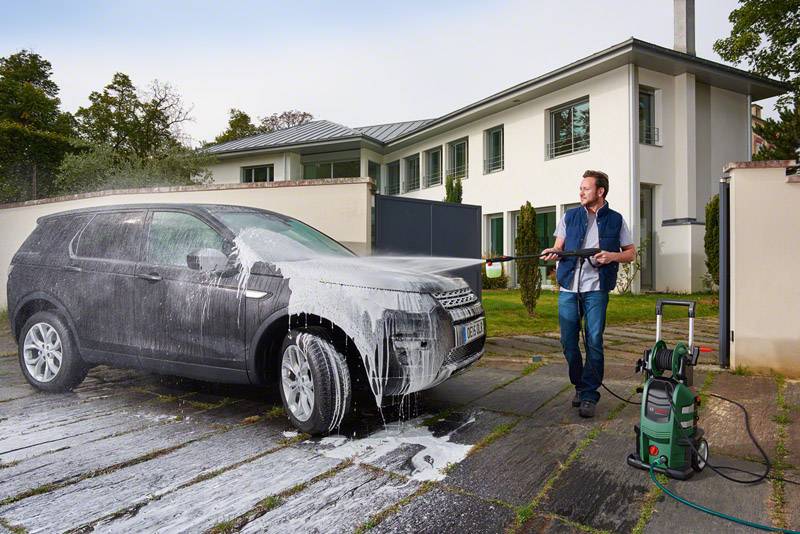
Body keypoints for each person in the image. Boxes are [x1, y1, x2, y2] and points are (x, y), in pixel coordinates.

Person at [542, 170, 636, 418]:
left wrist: (611, 256)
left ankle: (589, 395)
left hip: (596, 289)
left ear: (600, 191)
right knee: (568, 342)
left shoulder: (616, 220)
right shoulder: (570, 216)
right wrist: (552, 253)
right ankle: (580, 385)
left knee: (594, 340)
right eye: (580, 188)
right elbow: (559, 247)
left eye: (585, 188)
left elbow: (630, 252)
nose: (580, 192)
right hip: (569, 288)